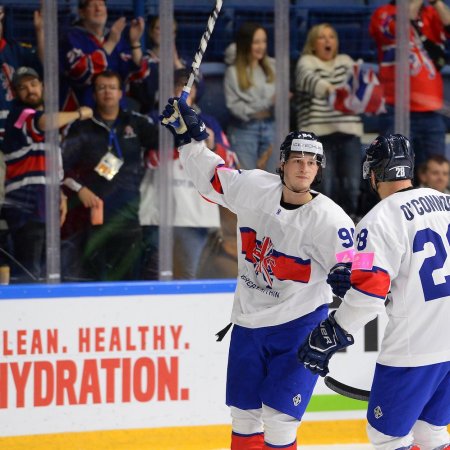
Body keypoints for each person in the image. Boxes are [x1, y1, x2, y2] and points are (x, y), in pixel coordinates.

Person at [160, 97, 356, 449]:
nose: (304, 168)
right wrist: (190, 140)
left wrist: (349, 272)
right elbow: (212, 178)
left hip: (298, 326)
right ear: (282, 163)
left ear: (319, 169)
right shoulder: (254, 187)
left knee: (279, 422)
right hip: (248, 323)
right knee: (244, 415)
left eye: (312, 162)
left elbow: (355, 261)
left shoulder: (331, 219)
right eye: (297, 160)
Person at [298, 134, 450, 450]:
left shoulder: (379, 219)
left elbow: (369, 296)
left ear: (372, 173)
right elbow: (395, 269)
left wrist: (332, 332)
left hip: (415, 345)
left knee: (387, 436)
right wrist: (356, 274)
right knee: (431, 432)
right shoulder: (445, 202)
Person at [139, 68, 238, 280]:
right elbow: (146, 161)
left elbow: (230, 163)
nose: (184, 90)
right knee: (154, 274)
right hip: (160, 212)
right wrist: (183, 143)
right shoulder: (155, 119)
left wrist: (212, 146)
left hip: (195, 214)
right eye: (178, 85)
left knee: (187, 276)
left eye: (189, 86)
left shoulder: (208, 123)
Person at [61, 70, 157, 281]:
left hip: (129, 216)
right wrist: (80, 189)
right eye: (102, 88)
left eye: (112, 88)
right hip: (92, 217)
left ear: (121, 93)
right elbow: (61, 167)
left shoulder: (136, 122)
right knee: (95, 281)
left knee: (129, 282)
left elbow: (168, 142)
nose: (107, 92)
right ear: (94, 94)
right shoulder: (81, 127)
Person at [1, 67, 93, 282]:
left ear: (43, 86)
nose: (29, 90)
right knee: (29, 274)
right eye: (22, 87)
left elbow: (51, 168)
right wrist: (79, 113)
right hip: (26, 208)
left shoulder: (48, 128)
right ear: (15, 94)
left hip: (43, 207)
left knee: (44, 275)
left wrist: (60, 194)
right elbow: (42, 122)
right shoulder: (20, 115)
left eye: (33, 84)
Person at [369, 0, 450, 167]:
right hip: (396, 109)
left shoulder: (431, 13)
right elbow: (400, 28)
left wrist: (436, 2)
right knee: (395, 168)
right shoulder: (383, 13)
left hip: (432, 110)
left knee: (435, 170)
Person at [295, 23, 363, 219]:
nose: (327, 41)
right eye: (322, 37)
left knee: (352, 186)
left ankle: (349, 223)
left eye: (331, 37)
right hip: (318, 136)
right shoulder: (306, 61)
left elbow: (356, 84)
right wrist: (331, 90)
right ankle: (323, 224)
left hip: (348, 133)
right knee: (325, 186)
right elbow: (308, 80)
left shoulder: (345, 61)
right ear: (313, 43)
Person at [59, 0, 148, 111]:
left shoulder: (115, 36)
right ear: (81, 12)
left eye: (101, 5)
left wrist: (135, 42)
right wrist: (111, 43)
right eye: (93, 5)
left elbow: (137, 74)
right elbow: (80, 72)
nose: (98, 9)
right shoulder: (70, 37)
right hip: (82, 112)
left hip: (115, 113)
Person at [224, 22, 275, 171]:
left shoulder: (273, 66)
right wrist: (268, 102)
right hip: (243, 130)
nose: (261, 46)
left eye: (264, 41)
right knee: (246, 179)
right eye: (256, 42)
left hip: (271, 128)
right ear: (246, 44)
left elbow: (282, 100)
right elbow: (236, 108)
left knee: (273, 180)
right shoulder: (233, 72)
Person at [128, 16, 186, 114]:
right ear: (151, 32)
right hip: (153, 114)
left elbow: (194, 88)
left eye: (168, 29)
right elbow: (139, 65)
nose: (164, 32)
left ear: (174, 34)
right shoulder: (146, 59)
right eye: (159, 28)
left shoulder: (184, 61)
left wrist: (176, 62)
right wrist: (135, 42)